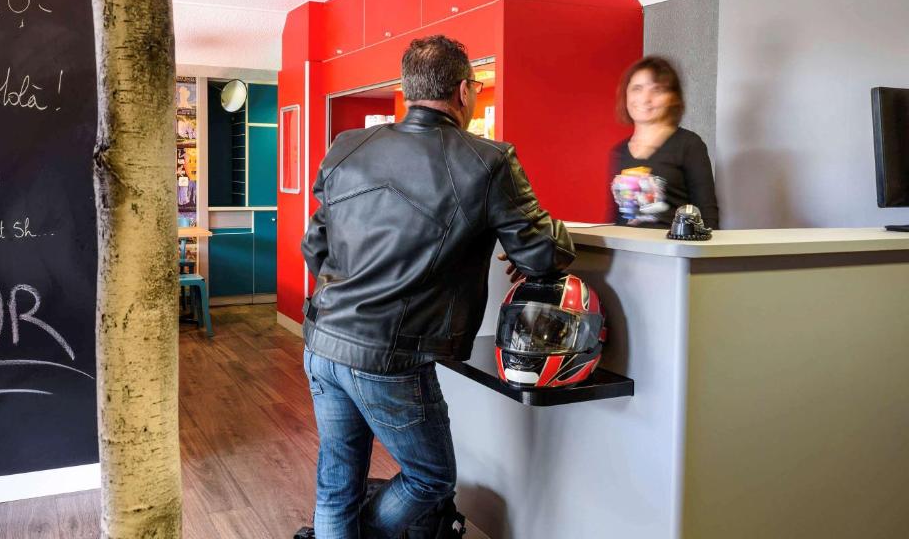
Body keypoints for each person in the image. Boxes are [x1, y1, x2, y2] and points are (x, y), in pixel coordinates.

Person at [301, 35, 575, 538]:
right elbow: (540, 254)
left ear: (407, 89)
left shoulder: (347, 147)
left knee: (337, 482)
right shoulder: (489, 161)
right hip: (390, 356)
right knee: (431, 479)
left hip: (322, 341)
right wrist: (555, 235)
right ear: (465, 91)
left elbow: (315, 245)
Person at [609, 55, 719, 229]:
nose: (645, 98)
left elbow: (708, 217)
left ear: (673, 98)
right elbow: (615, 222)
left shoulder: (689, 145)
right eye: (637, 88)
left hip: (672, 254)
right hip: (625, 254)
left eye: (657, 90)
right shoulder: (619, 151)